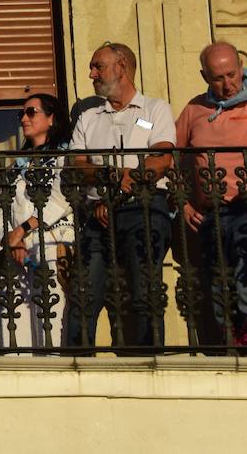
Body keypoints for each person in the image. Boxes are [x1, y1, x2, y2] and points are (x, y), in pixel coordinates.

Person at [175, 42, 247, 342]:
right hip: (212, 209)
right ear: (204, 76)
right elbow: (170, 156)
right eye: (218, 78)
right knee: (219, 286)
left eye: (232, 74)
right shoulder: (194, 108)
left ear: (241, 67)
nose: (228, 84)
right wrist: (183, 203)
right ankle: (232, 354)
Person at [68, 43, 176, 349]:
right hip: (97, 214)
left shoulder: (153, 110)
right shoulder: (88, 117)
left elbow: (161, 158)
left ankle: (151, 362)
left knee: (145, 292)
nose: (91, 74)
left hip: (143, 208)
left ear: (122, 66)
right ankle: (77, 367)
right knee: (84, 294)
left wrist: (128, 178)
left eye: (97, 66)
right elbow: (76, 166)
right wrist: (112, 176)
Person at [0, 93, 74, 350]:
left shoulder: (65, 157)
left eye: (31, 112)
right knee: (11, 328)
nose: (24, 118)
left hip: (51, 246)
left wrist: (22, 230)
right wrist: (11, 240)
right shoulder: (17, 165)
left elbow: (61, 199)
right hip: (17, 253)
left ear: (51, 118)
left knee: (51, 323)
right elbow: (3, 207)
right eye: (21, 114)